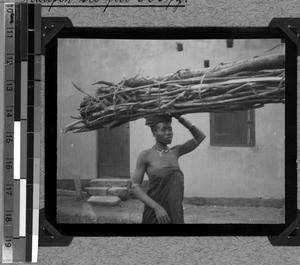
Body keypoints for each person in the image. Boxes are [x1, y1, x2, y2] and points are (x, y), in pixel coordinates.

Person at [130, 114, 206, 224]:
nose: (168, 132)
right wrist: (157, 207)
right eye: (163, 129)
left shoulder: (176, 152)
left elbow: (200, 137)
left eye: (170, 129)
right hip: (155, 213)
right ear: (154, 133)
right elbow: (135, 186)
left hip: (175, 212)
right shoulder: (145, 155)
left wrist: (180, 118)